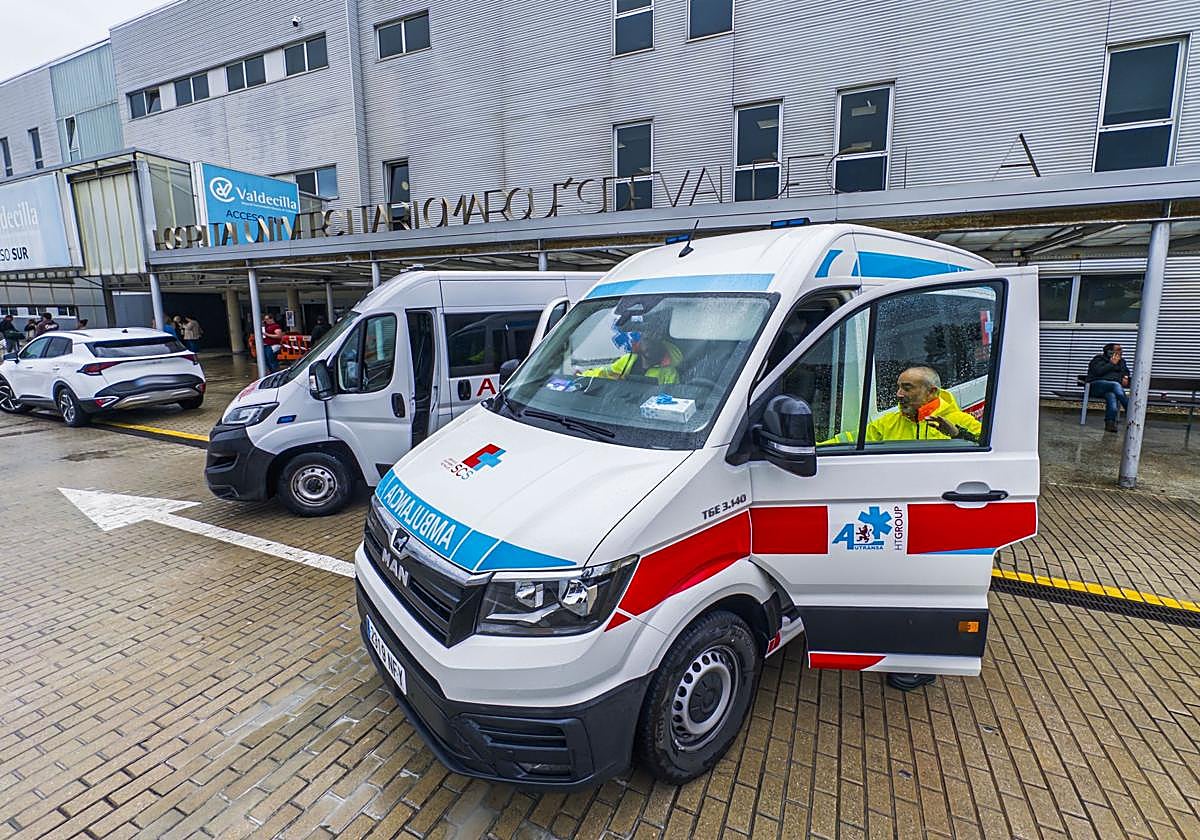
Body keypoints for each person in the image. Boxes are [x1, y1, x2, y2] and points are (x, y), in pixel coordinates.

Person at [823, 366, 982, 445]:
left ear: (932, 392)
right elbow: (847, 441)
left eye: (907, 388)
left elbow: (992, 452)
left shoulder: (961, 421)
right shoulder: (887, 424)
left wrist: (958, 435)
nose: (899, 394)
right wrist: (810, 450)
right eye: (898, 387)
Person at [580, 314, 683, 385]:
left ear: (661, 343)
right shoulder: (628, 360)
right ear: (638, 342)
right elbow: (604, 373)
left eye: (654, 340)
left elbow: (671, 400)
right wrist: (581, 376)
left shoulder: (669, 373)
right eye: (646, 339)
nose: (649, 344)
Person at [1086, 342, 1131, 433]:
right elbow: (1098, 372)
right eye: (1118, 349)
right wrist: (1111, 364)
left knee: (1112, 396)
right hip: (1095, 386)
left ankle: (1110, 423)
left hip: (1110, 389)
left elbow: (1125, 371)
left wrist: (1125, 376)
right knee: (1115, 385)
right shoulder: (1098, 359)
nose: (1121, 351)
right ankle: (1131, 411)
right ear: (1110, 352)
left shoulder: (1122, 361)